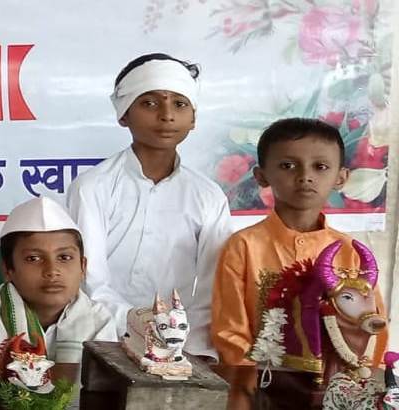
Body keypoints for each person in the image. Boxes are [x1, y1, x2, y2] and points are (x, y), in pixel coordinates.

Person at [66, 53, 231, 359]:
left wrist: (186, 349)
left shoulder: (208, 196)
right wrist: (137, 323)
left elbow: (213, 289)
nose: (166, 115)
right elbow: (90, 282)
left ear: (193, 119)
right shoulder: (92, 187)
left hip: (182, 346)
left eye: (179, 104)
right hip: (102, 338)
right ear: (123, 114)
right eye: (150, 103)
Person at [210, 118, 387, 366]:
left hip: (340, 384)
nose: (305, 176)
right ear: (261, 176)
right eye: (288, 165)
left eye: (320, 166)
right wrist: (255, 381)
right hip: (262, 382)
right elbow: (230, 333)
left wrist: (357, 381)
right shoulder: (243, 246)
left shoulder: (353, 254)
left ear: (341, 177)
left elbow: (372, 328)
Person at [0, 197, 115, 364]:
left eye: (64, 257)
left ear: (83, 267)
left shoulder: (99, 320)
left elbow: (105, 377)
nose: (52, 271)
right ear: (8, 270)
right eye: (33, 258)